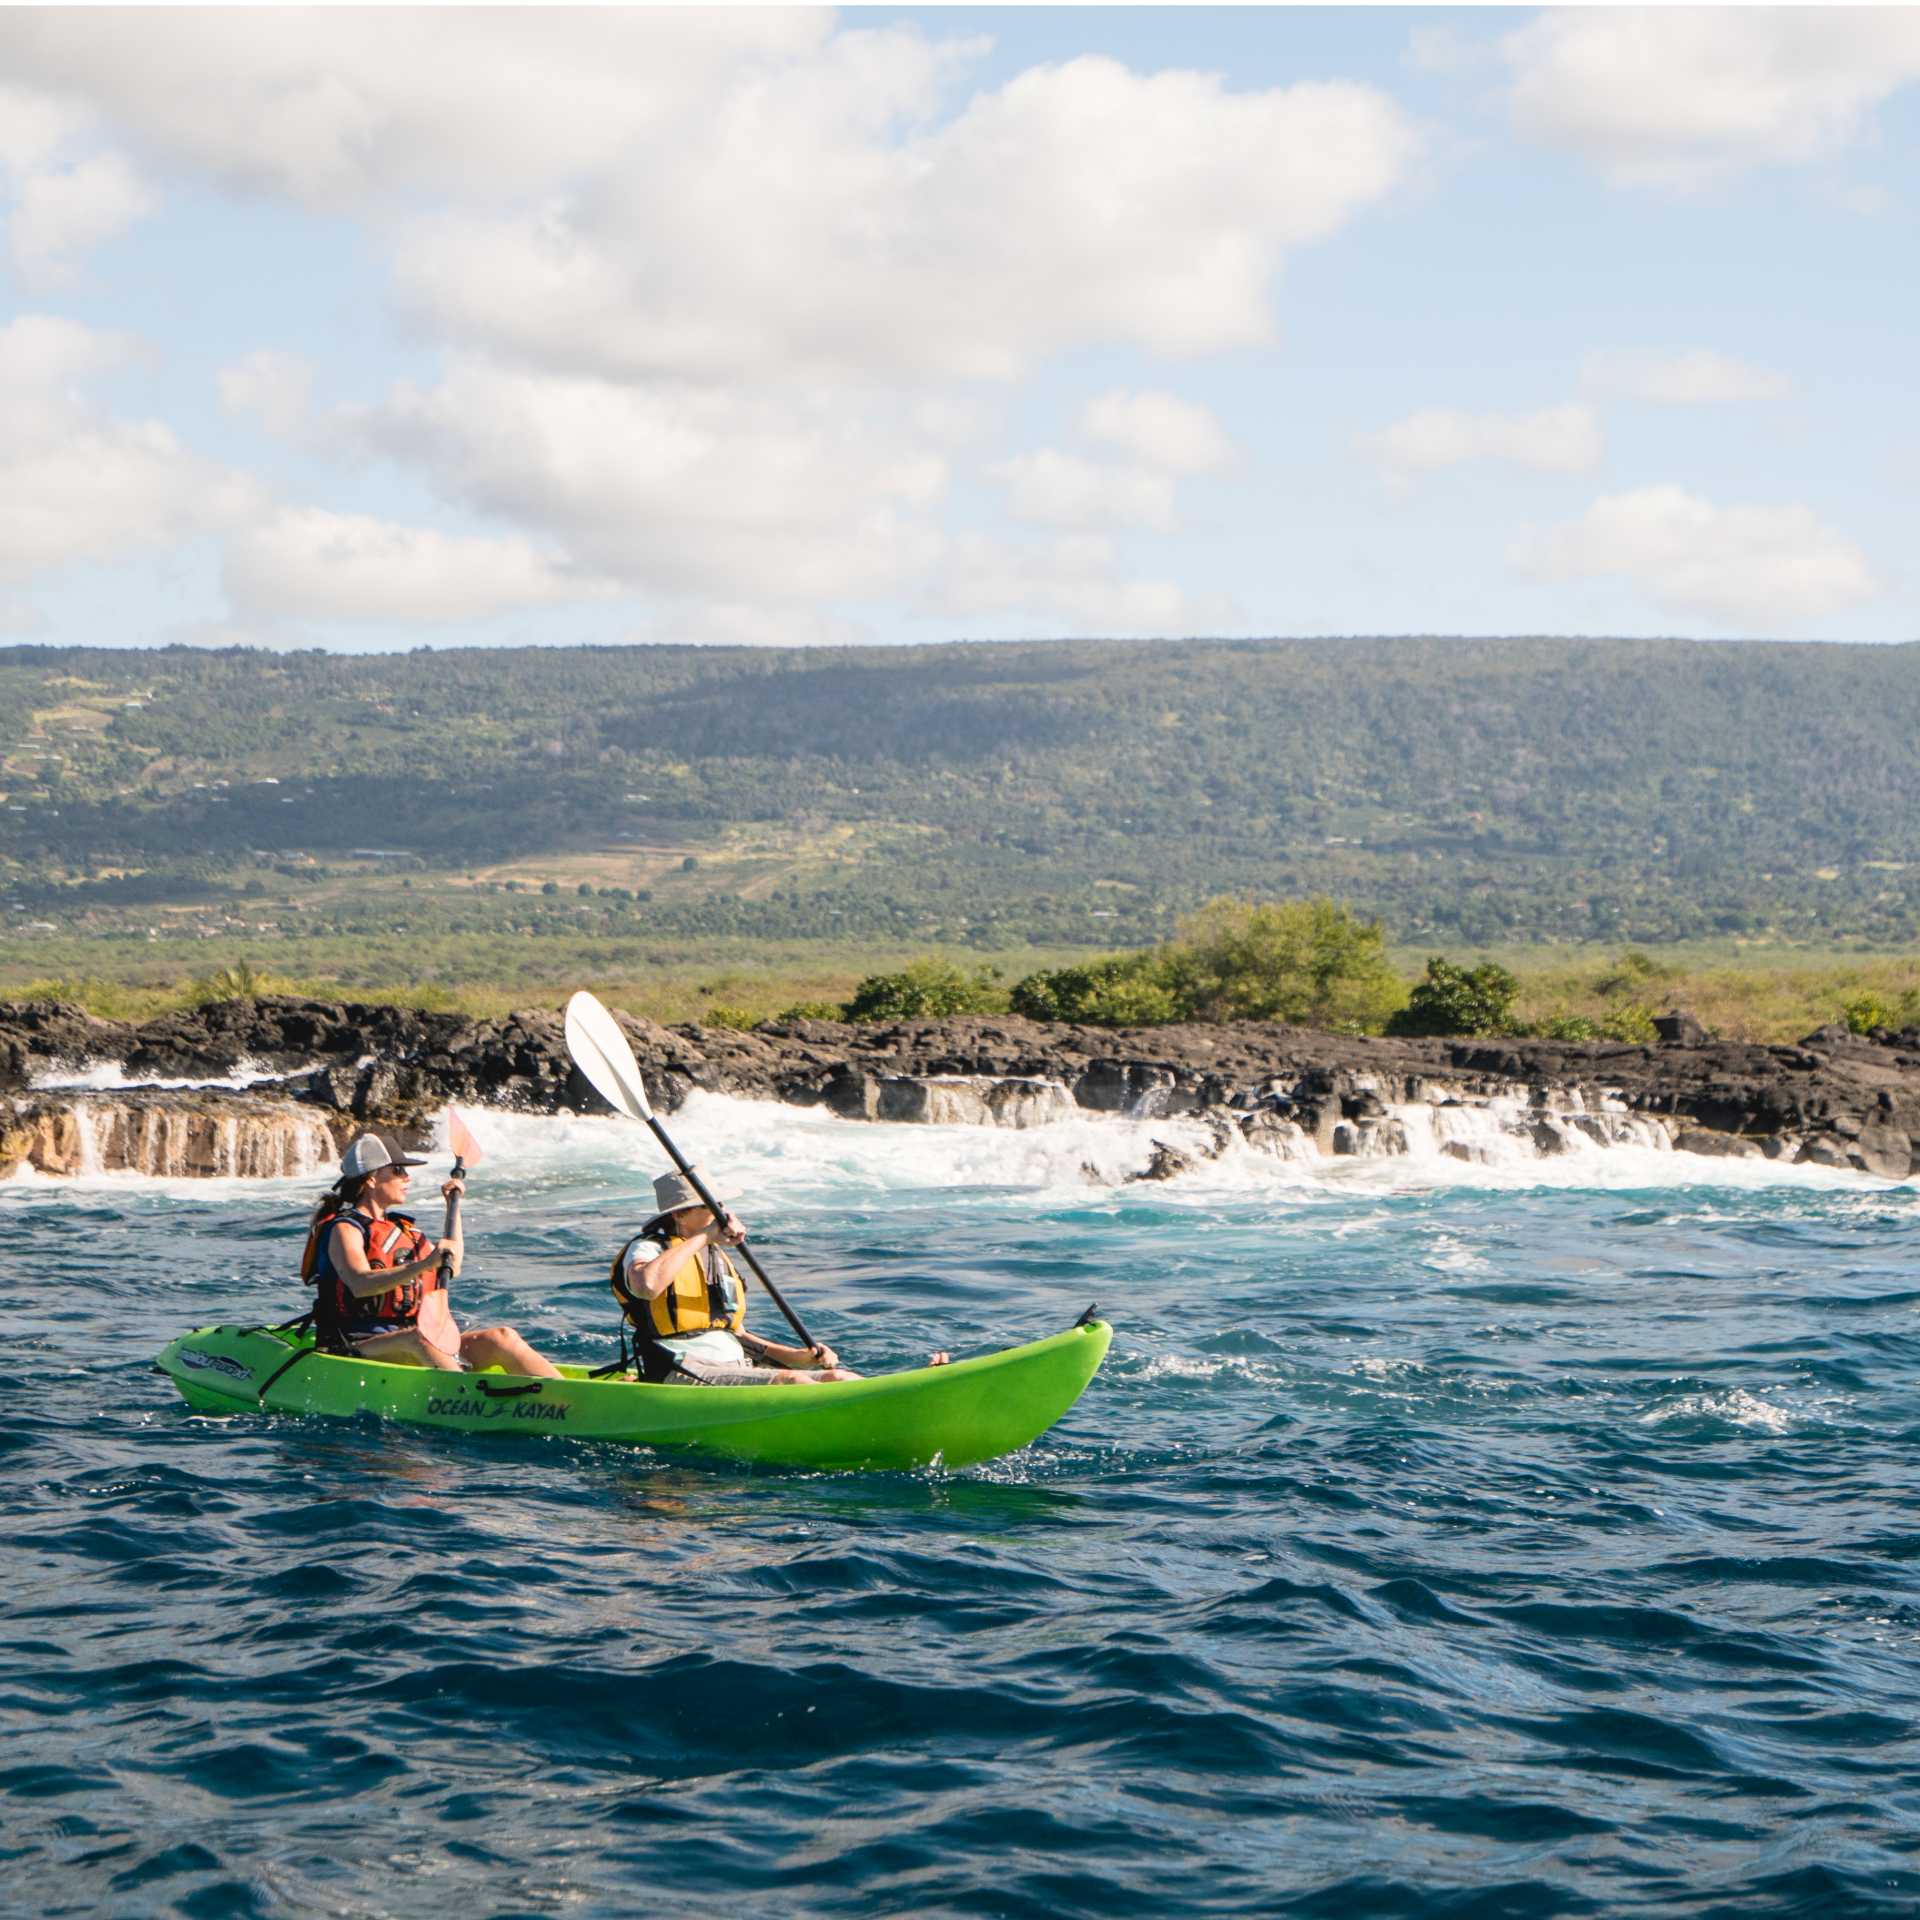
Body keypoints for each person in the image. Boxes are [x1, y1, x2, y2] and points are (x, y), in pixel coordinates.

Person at [612, 1170, 949, 1386]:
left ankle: (898, 1398)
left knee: (835, 1376)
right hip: (678, 1368)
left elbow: (735, 1333)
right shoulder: (647, 1248)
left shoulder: (715, 1256)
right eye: (711, 1208)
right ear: (682, 1213)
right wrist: (702, 1237)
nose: (723, 1214)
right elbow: (647, 1285)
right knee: (794, 1383)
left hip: (733, 1363)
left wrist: (796, 1356)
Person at [305, 1134, 560, 1378]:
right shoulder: (345, 1228)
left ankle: (565, 1397)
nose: (407, 1178)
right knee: (419, 1338)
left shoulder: (402, 1230)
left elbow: (453, 1266)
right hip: (356, 1345)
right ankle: (466, 1401)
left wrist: (453, 1209)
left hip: (411, 1340)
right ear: (371, 1179)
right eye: (398, 1171)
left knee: (502, 1337)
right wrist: (424, 1264)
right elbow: (360, 1284)